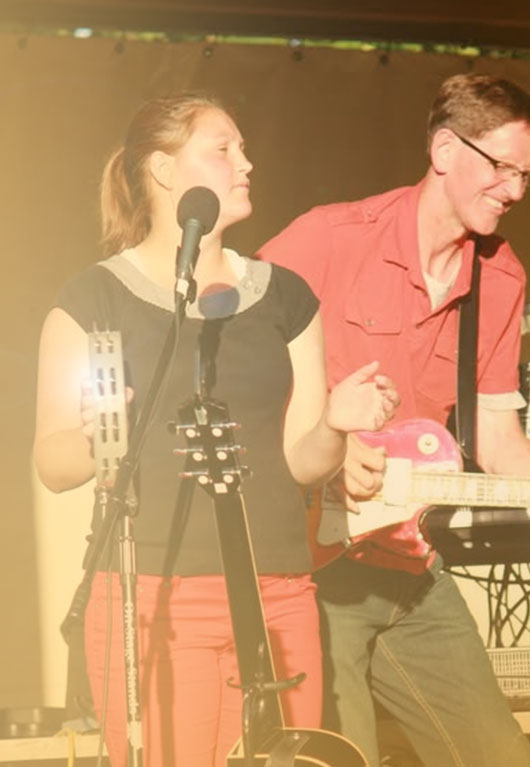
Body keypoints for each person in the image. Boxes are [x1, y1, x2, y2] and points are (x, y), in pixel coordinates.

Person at [257, 73, 530, 766]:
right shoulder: (328, 238)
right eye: (501, 167)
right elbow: (229, 370)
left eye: (529, 175)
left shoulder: (500, 278)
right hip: (307, 569)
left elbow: (497, 440)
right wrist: (324, 445)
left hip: (404, 565)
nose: (516, 191)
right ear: (443, 148)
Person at [34, 93, 398, 767]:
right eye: (223, 149)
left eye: (244, 148)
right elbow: (52, 463)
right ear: (165, 170)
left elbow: (301, 459)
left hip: (277, 593)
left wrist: (335, 425)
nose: (246, 163)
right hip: (153, 598)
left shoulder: (286, 297)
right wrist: (99, 434)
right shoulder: (93, 299)